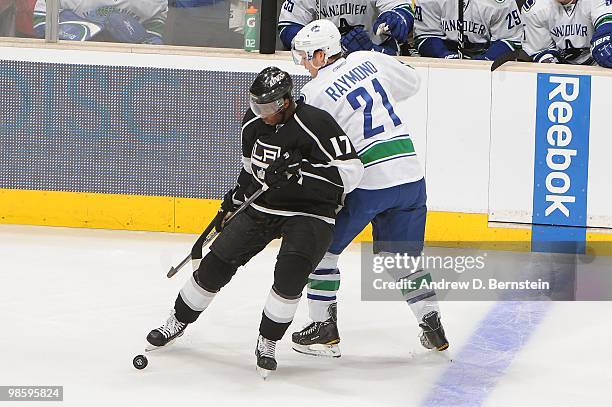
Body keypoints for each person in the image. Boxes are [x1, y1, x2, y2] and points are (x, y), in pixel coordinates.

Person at [145, 67, 364, 377]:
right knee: (215, 264)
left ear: (287, 101)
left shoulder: (317, 123)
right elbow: (249, 172)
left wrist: (301, 173)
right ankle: (177, 320)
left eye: (269, 107)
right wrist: (233, 201)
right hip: (264, 205)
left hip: (312, 212)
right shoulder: (252, 123)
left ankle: (268, 341)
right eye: (257, 106)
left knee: (290, 276)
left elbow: (353, 173)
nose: (262, 114)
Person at [289, 19, 448, 358]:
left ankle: (323, 330)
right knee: (402, 258)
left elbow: (311, 148)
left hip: (369, 181)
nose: (303, 64)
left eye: (305, 57)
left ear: (320, 55)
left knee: (321, 251)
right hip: (410, 176)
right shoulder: (367, 60)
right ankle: (431, 321)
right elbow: (411, 83)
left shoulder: (314, 95)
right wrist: (374, 54)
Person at [278, 0, 414, 56]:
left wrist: (397, 16)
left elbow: (401, 9)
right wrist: (317, 47)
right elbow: (288, 26)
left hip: (374, 50)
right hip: (326, 59)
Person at [413, 0, 523, 60]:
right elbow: (424, 35)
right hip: (441, 60)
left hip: (488, 56)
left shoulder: (501, 2)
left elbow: (511, 40)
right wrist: (443, 54)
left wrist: (486, 59)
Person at [522, 0, 612, 67]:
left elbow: (606, 31)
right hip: (561, 64)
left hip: (598, 63)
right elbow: (542, 51)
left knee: (605, 51)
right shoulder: (535, 7)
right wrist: (555, 69)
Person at [33, 0, 167, 44]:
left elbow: (154, 34)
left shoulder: (152, 3)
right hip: (72, 63)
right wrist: (82, 29)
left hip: (127, 69)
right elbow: (41, 20)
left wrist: (142, 42)